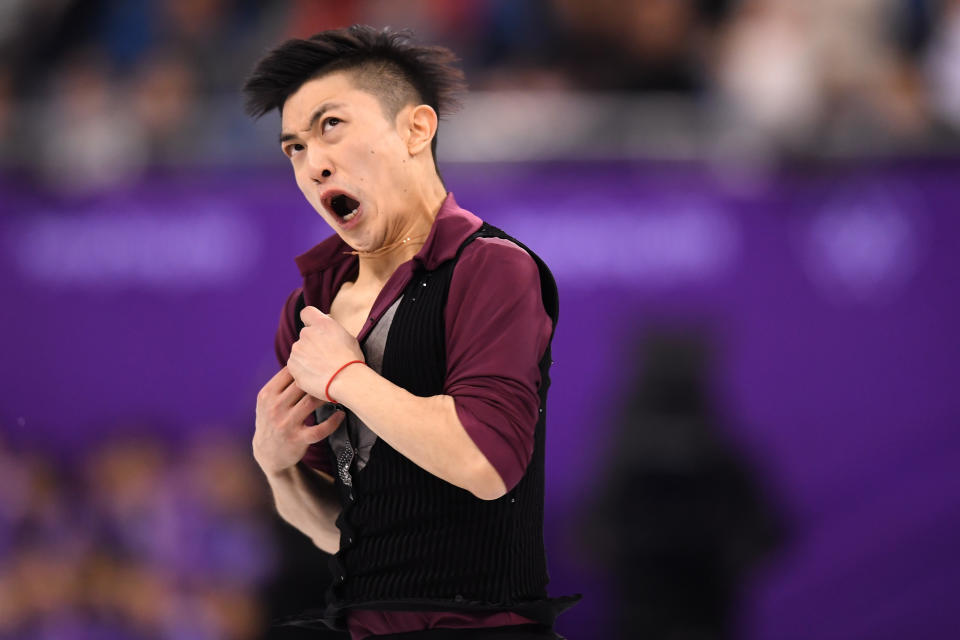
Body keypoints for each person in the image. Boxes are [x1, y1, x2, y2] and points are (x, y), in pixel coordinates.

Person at [243, 25, 578, 639]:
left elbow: (487, 462)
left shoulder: (491, 266)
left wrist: (346, 378)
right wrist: (274, 462)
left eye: (331, 126)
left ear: (416, 129)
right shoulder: (309, 312)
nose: (313, 162)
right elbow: (342, 530)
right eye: (293, 147)